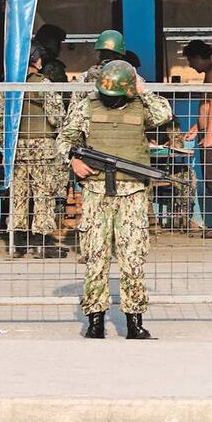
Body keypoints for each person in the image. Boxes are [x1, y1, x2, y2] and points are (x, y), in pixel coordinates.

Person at [56, 60, 173, 339]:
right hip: (97, 192)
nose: (110, 101)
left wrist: (142, 90)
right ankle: (95, 321)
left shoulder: (141, 105)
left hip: (132, 193)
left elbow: (164, 114)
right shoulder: (88, 106)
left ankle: (135, 321)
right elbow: (63, 138)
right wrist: (73, 160)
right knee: (96, 256)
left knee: (132, 257)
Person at [0, 45, 68, 258]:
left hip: (17, 148)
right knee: (43, 195)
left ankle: (16, 244)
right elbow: (56, 118)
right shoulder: (44, 85)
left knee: (18, 196)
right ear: (37, 61)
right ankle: (42, 244)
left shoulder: (9, 86)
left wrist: (4, 144)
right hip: (42, 148)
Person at [181, 40, 212, 238]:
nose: (190, 65)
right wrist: (197, 127)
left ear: (198, 57)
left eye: (190, 60)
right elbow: (206, 108)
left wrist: (209, 134)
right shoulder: (211, 73)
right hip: (210, 131)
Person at [67, 29, 127, 113]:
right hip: (122, 120)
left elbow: (73, 108)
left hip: (93, 119)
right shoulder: (130, 76)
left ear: (99, 54)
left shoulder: (85, 76)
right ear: (120, 56)